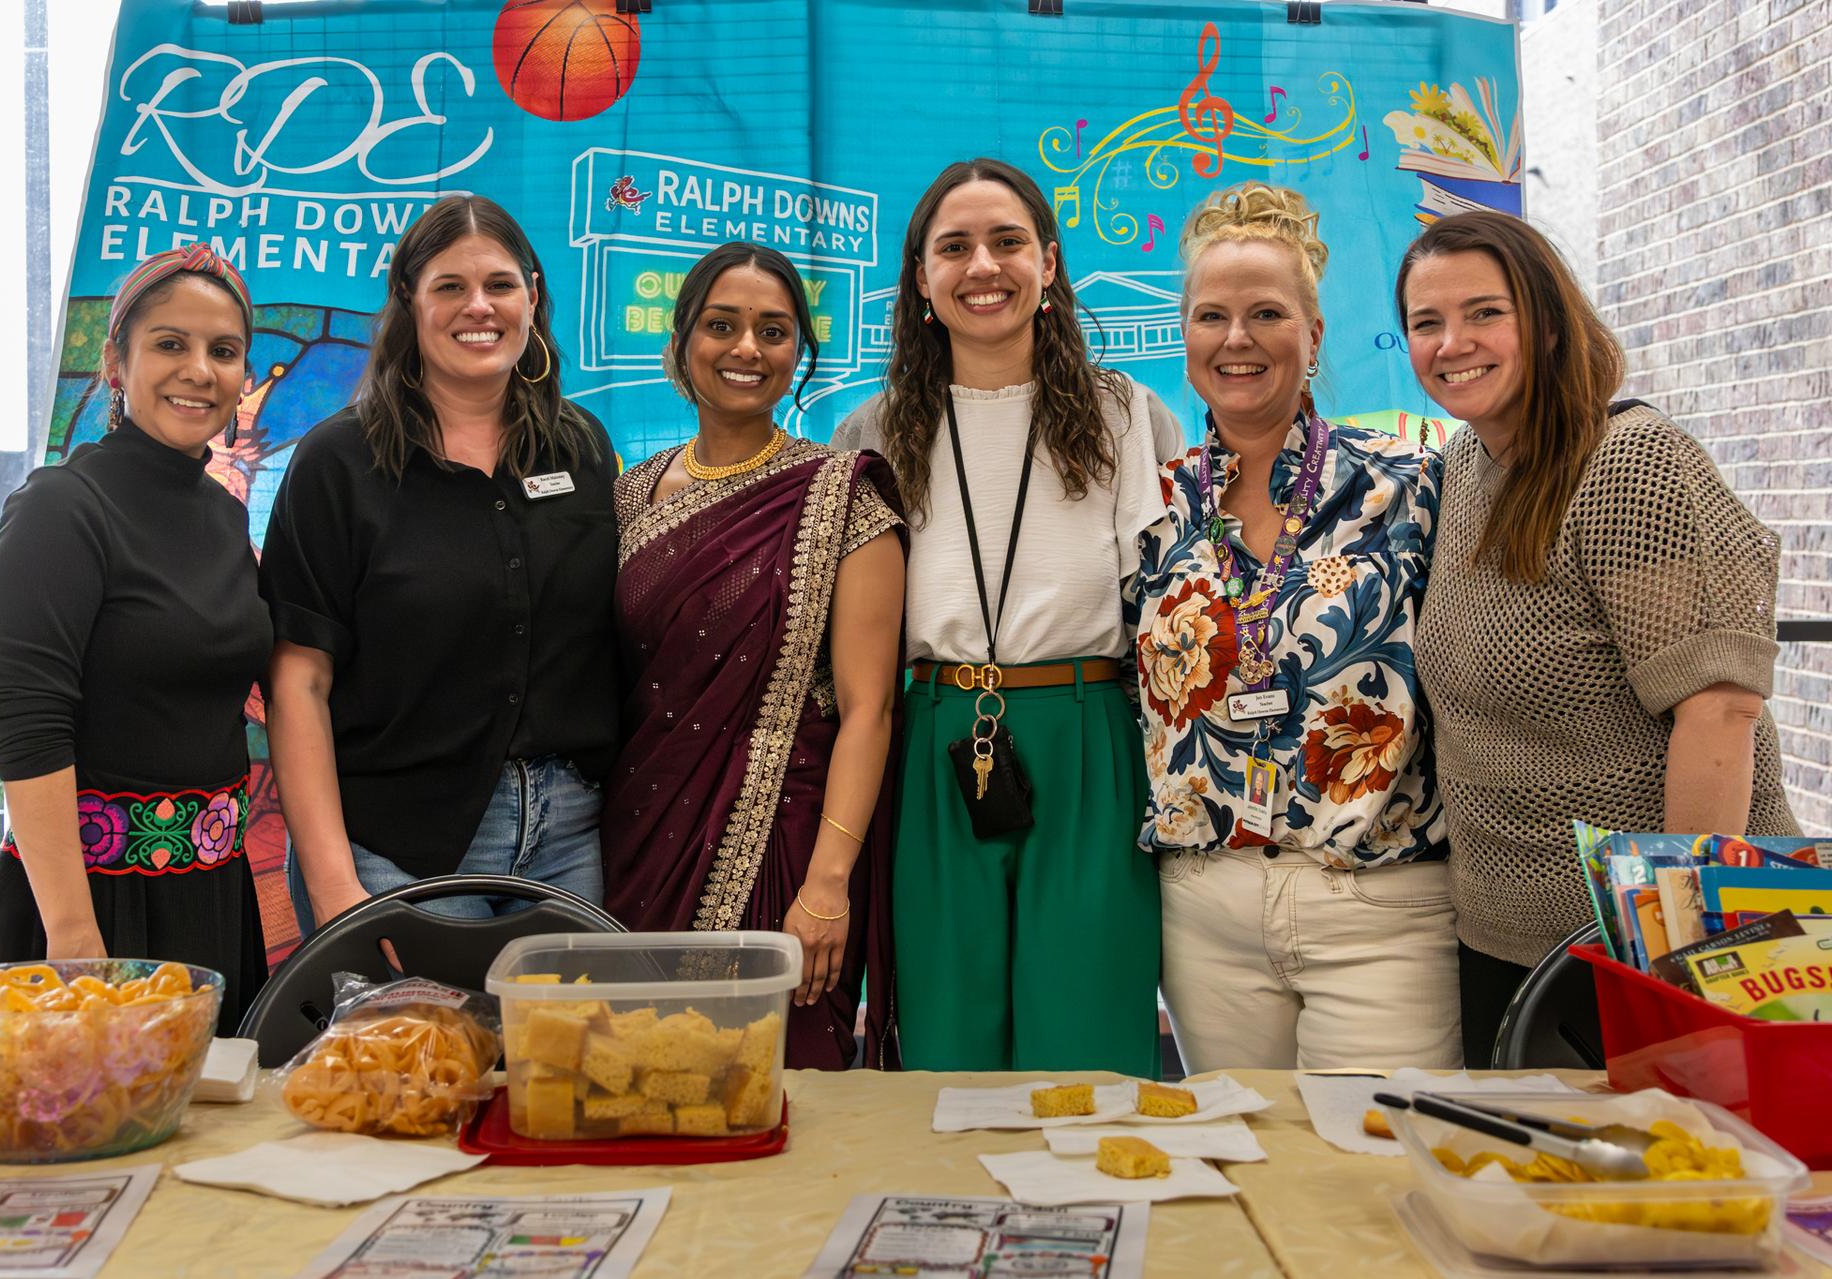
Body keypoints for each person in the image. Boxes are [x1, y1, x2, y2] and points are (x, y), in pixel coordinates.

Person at [1397, 210, 1799, 1065]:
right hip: (1507, 938)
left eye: (1483, 313)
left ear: (1545, 323)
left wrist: (1675, 947)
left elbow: (1720, 706)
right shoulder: (1466, 467)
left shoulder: (1630, 462)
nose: (1453, 342)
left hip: (1652, 945)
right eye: (1426, 323)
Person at [833, 158, 1181, 1076]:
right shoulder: (872, 431)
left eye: (1007, 242)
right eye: (954, 247)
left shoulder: (1127, 414)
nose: (982, 265)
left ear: (1050, 262)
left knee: (1090, 1031)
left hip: (1087, 728)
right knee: (947, 1039)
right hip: (942, 731)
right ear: (920, 279)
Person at [1129, 183, 1457, 1072]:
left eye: (1266, 313)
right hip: (1206, 909)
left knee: (1373, 1179)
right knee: (1248, 1170)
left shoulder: (1412, 487)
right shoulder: (1149, 509)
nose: (1237, 339)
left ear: (1313, 336)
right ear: (1187, 339)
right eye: (1212, 316)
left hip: (1379, 904)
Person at [261, 195, 618, 932]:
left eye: (500, 284)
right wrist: (334, 889)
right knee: (416, 1052)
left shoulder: (582, 449)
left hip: (570, 843)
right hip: (395, 848)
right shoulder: (338, 463)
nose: (478, 307)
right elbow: (298, 682)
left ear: (533, 295)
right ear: (409, 302)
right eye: (449, 286)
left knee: (557, 1053)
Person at [606, 243, 906, 1070]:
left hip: (786, 854)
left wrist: (828, 883)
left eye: (773, 331)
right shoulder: (631, 494)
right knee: (631, 1085)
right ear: (682, 339)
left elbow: (868, 709)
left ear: (798, 353)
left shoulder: (844, 493)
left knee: (781, 1097)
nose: (747, 349)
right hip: (640, 841)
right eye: (722, 326)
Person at [0, 244, 270, 1032]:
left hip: (210, 895)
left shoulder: (224, 517)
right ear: (115, 360)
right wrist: (75, 939)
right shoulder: (61, 507)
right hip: (86, 910)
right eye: (170, 344)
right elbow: (26, 722)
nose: (198, 370)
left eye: (223, 350)